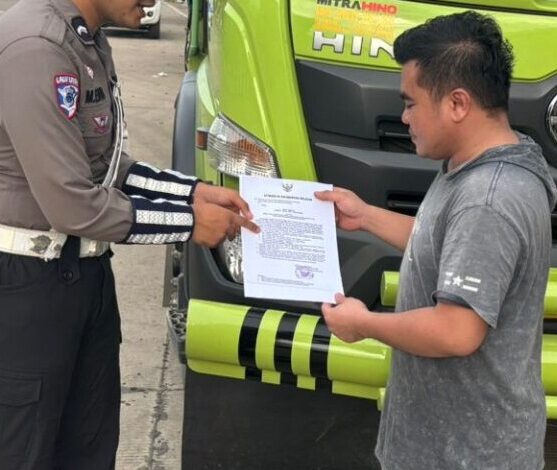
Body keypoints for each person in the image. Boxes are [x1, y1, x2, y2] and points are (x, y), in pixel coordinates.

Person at [0, 0, 258, 468]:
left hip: (85, 278)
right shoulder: (37, 46)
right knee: (25, 450)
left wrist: (194, 192)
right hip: (27, 288)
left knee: (89, 446)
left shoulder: (87, 41)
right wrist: (191, 223)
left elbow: (109, 167)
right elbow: (73, 205)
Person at [316, 11, 556, 470]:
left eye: (411, 103)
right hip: (444, 445)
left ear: (457, 103)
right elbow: (450, 247)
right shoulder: (473, 165)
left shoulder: (489, 198)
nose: (404, 117)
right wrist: (365, 216)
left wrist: (363, 323)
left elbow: (456, 330)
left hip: (469, 455)